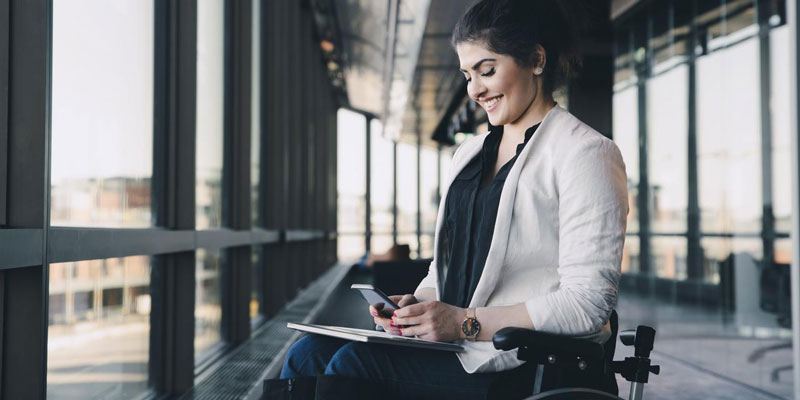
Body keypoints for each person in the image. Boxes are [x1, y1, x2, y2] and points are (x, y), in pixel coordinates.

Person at [279, 0, 628, 398]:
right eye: (467, 74)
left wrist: (464, 322)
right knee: (308, 354)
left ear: (535, 59)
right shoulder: (469, 155)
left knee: (351, 367)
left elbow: (587, 304)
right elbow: (442, 270)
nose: (474, 89)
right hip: (459, 346)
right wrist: (418, 308)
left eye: (487, 70)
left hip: (522, 360)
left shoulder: (585, 153)